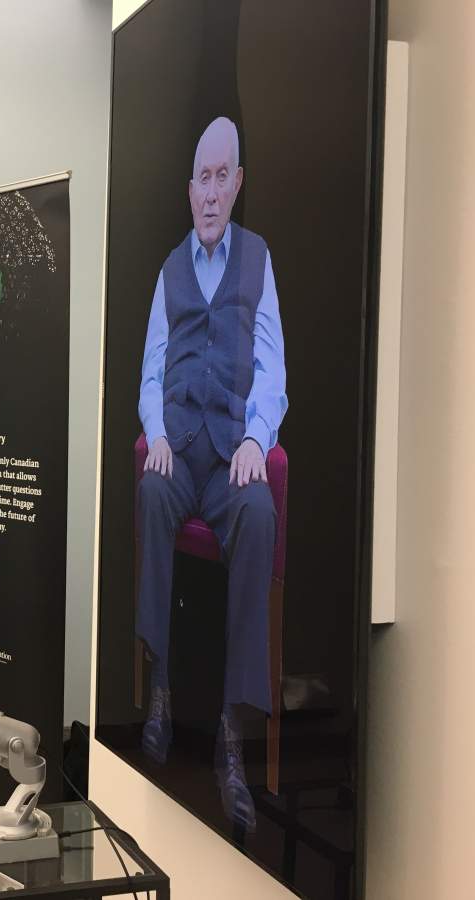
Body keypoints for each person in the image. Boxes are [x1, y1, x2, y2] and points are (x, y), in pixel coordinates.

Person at [135, 116, 288, 832]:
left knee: (258, 515)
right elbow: (151, 369)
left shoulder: (258, 259)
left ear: (239, 185)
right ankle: (160, 679)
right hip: (180, 449)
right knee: (150, 490)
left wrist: (258, 438)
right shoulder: (170, 269)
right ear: (189, 187)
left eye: (225, 175)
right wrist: (156, 431)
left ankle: (231, 731)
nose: (213, 190)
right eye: (204, 176)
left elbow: (272, 368)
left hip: (231, 455)